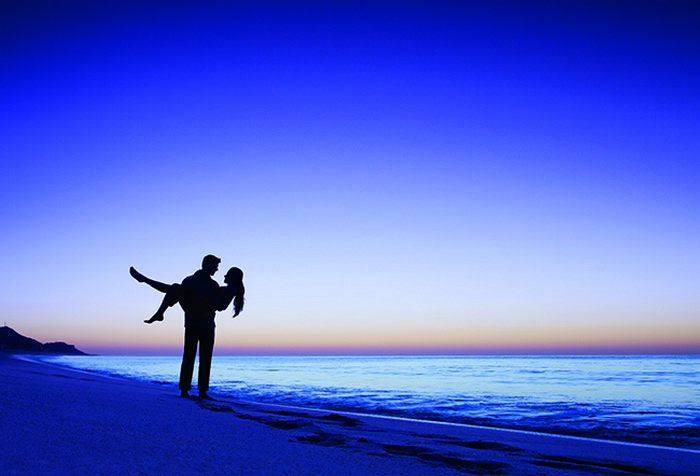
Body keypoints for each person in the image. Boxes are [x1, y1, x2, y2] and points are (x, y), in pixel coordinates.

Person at [129, 255, 245, 400]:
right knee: (188, 356)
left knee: (205, 359)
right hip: (192, 323)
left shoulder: (215, 285)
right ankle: (184, 390)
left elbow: (219, 304)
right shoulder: (190, 281)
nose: (217, 269)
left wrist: (205, 296)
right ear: (206, 264)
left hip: (208, 324)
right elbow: (175, 293)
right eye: (215, 265)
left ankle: (203, 392)